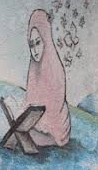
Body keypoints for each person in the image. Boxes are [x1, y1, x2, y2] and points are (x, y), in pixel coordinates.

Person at [24, 9, 71, 147]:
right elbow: (30, 99)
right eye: (31, 45)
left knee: (26, 134)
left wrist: (36, 123)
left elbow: (55, 109)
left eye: (38, 42)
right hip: (37, 123)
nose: (35, 51)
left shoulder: (55, 68)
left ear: (45, 39)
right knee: (22, 131)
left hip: (55, 131)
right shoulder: (33, 69)